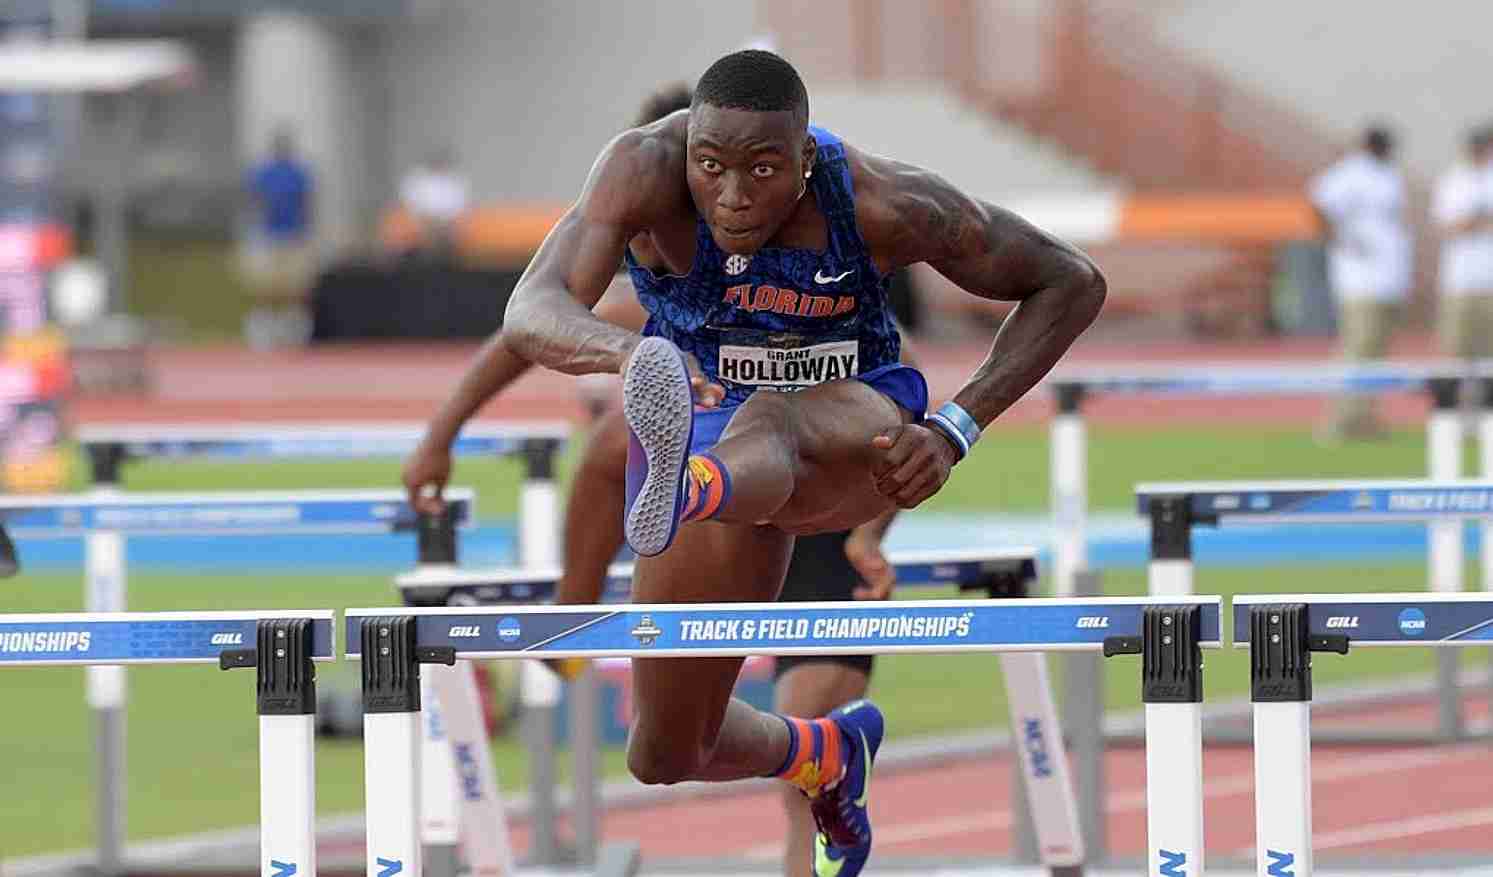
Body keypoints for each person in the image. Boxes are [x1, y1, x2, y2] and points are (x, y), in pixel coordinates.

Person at [431, 51, 1104, 876]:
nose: (734, 194)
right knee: (665, 750)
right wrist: (627, 354)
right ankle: (822, 752)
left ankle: (688, 486)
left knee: (769, 418)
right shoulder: (639, 170)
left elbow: (1068, 280)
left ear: (804, 158)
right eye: (711, 167)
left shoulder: (883, 200)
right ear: (686, 153)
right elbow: (531, 309)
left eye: (761, 169)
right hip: (714, 459)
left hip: (854, 431)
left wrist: (957, 426)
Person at [404, 81, 898, 876]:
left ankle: (815, 779)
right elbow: (523, 332)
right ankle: (585, 624)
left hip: (821, 508)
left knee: (797, 785)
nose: (725, 203)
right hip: (718, 509)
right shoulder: (663, 290)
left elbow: (887, 405)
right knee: (666, 750)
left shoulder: (817, 251)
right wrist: (440, 434)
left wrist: (874, 529)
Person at [1308, 124, 1414, 440]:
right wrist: (1341, 241)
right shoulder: (1350, 173)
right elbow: (1318, 204)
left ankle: (1365, 415)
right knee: (1357, 346)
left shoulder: (1388, 175)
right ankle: (1341, 419)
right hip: (1360, 277)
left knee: (1376, 350)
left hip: (1387, 276)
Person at [242, 126, 316, 349]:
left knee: (295, 287)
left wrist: (308, 231)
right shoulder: (262, 172)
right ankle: (263, 332)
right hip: (268, 235)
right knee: (266, 287)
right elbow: (252, 201)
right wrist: (252, 230)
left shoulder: (299, 173)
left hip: (294, 235)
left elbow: (308, 202)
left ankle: (294, 332)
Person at [1431, 125, 1493, 363]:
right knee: (1456, 351)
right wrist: (1474, 221)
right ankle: (1456, 401)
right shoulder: (1454, 181)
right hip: (1460, 280)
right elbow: (1445, 227)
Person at [399, 145, 471, 260]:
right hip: (422, 226)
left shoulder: (455, 180)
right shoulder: (416, 179)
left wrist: (444, 225)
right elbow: (411, 207)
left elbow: (459, 210)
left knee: (451, 236)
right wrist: (428, 224)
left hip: (447, 229)